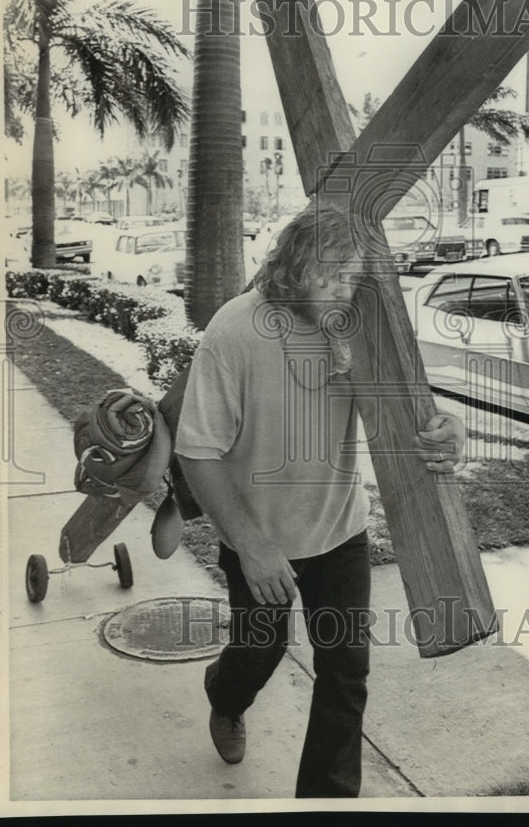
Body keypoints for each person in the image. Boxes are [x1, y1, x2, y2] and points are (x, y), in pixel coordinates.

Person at [174, 204, 464, 798]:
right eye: (329, 275)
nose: (342, 290)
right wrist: (252, 548)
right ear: (291, 266)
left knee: (346, 676)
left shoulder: (355, 328)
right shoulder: (234, 331)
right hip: (258, 536)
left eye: (352, 276)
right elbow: (197, 452)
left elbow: (411, 413)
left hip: (339, 531)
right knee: (261, 649)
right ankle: (225, 697)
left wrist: (446, 429)